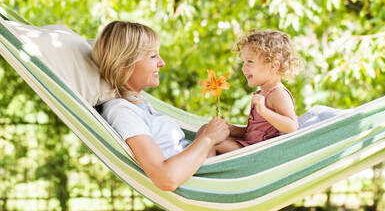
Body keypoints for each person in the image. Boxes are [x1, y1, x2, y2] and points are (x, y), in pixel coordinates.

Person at [91, 21, 230, 191]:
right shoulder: (122, 112)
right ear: (125, 63)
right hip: (197, 177)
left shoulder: (138, 103)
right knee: (209, 135)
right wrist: (209, 139)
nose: (162, 63)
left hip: (201, 164)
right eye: (153, 56)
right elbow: (166, 178)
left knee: (209, 131)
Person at [208, 30, 301, 156]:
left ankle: (199, 172)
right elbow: (256, 132)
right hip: (250, 145)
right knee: (207, 131)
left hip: (258, 154)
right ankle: (191, 163)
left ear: (273, 66)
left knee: (211, 142)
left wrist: (264, 111)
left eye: (250, 61)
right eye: (243, 62)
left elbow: (291, 127)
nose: (243, 68)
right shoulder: (263, 91)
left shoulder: (278, 93)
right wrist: (233, 129)